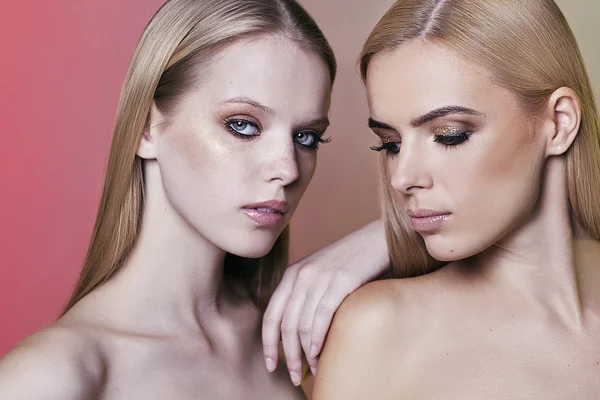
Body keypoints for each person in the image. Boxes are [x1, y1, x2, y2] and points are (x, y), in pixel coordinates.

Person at [0, 0, 389, 398]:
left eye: (305, 138)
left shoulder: (297, 330)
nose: (288, 170)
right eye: (242, 125)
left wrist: (390, 236)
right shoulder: (53, 377)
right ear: (147, 129)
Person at [313, 0, 600, 398]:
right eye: (390, 144)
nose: (403, 177)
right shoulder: (378, 331)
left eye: (449, 135)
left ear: (559, 123)